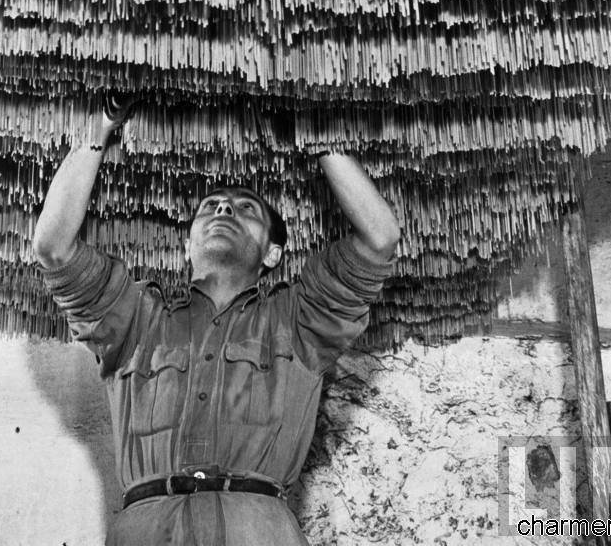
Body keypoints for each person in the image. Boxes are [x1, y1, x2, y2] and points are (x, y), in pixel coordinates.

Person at [32, 94, 400, 546]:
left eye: (246, 208)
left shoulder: (299, 322)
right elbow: (53, 247)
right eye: (212, 205)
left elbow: (380, 238)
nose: (224, 209)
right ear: (186, 246)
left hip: (259, 529)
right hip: (146, 529)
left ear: (273, 252)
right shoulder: (135, 322)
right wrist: (102, 122)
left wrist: (318, 138)